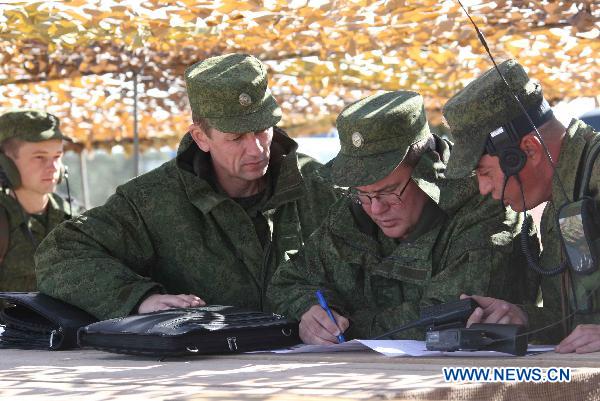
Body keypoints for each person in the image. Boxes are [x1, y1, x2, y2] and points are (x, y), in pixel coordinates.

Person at [35, 53, 338, 319]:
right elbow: (59, 254)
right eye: (236, 138)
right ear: (201, 137)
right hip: (200, 376)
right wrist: (138, 298)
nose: (257, 149)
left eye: (262, 130)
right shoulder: (152, 201)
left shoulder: (321, 187)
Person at [268, 90, 538, 344]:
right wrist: (309, 311)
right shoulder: (353, 212)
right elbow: (287, 282)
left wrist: (348, 326)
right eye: (363, 194)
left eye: (389, 193)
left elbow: (450, 316)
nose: (375, 209)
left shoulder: (484, 210)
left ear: (427, 173)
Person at [442, 59, 600, 353]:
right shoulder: (559, 202)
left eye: (485, 173)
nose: (484, 189)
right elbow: (575, 325)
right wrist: (523, 318)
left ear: (528, 150)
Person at [0, 109, 72, 291]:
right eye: (39, 157)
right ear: (5, 166)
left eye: (57, 156)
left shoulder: (75, 219)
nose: (53, 167)